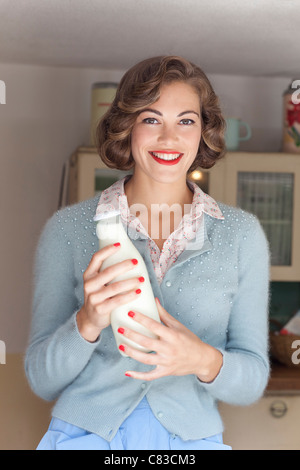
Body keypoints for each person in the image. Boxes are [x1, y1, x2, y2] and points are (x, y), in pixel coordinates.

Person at [25, 56, 270, 450]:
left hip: (190, 444)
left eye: (186, 120)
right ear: (127, 127)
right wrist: (86, 323)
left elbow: (253, 378)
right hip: (84, 438)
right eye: (151, 119)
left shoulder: (241, 236)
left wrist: (203, 360)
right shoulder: (68, 230)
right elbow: (41, 378)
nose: (169, 138)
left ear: (203, 131)